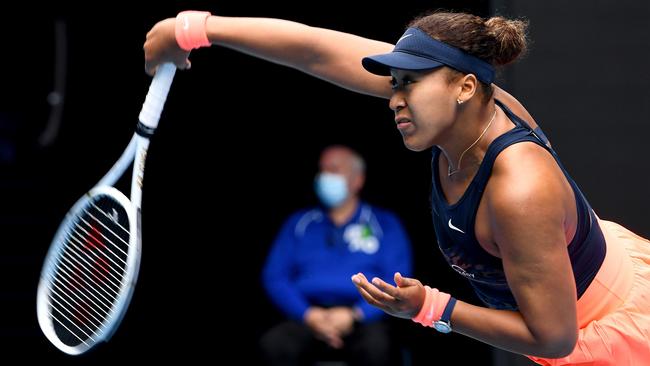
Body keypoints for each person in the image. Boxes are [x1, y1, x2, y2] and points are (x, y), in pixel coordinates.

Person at [143, 10, 650, 365]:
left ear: (464, 86)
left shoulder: (518, 191)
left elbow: (556, 339)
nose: (392, 99)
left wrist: (429, 308)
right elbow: (316, 51)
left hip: (613, 336)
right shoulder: (461, 106)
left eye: (409, 84)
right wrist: (195, 28)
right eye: (394, 83)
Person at [258, 145, 413, 365]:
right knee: (274, 345)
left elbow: (398, 279)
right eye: (322, 170)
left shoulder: (385, 224)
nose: (324, 177)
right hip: (306, 315)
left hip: (367, 317)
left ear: (357, 180)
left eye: (334, 169)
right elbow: (274, 276)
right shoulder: (299, 223)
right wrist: (308, 315)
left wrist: (356, 315)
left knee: (379, 348)